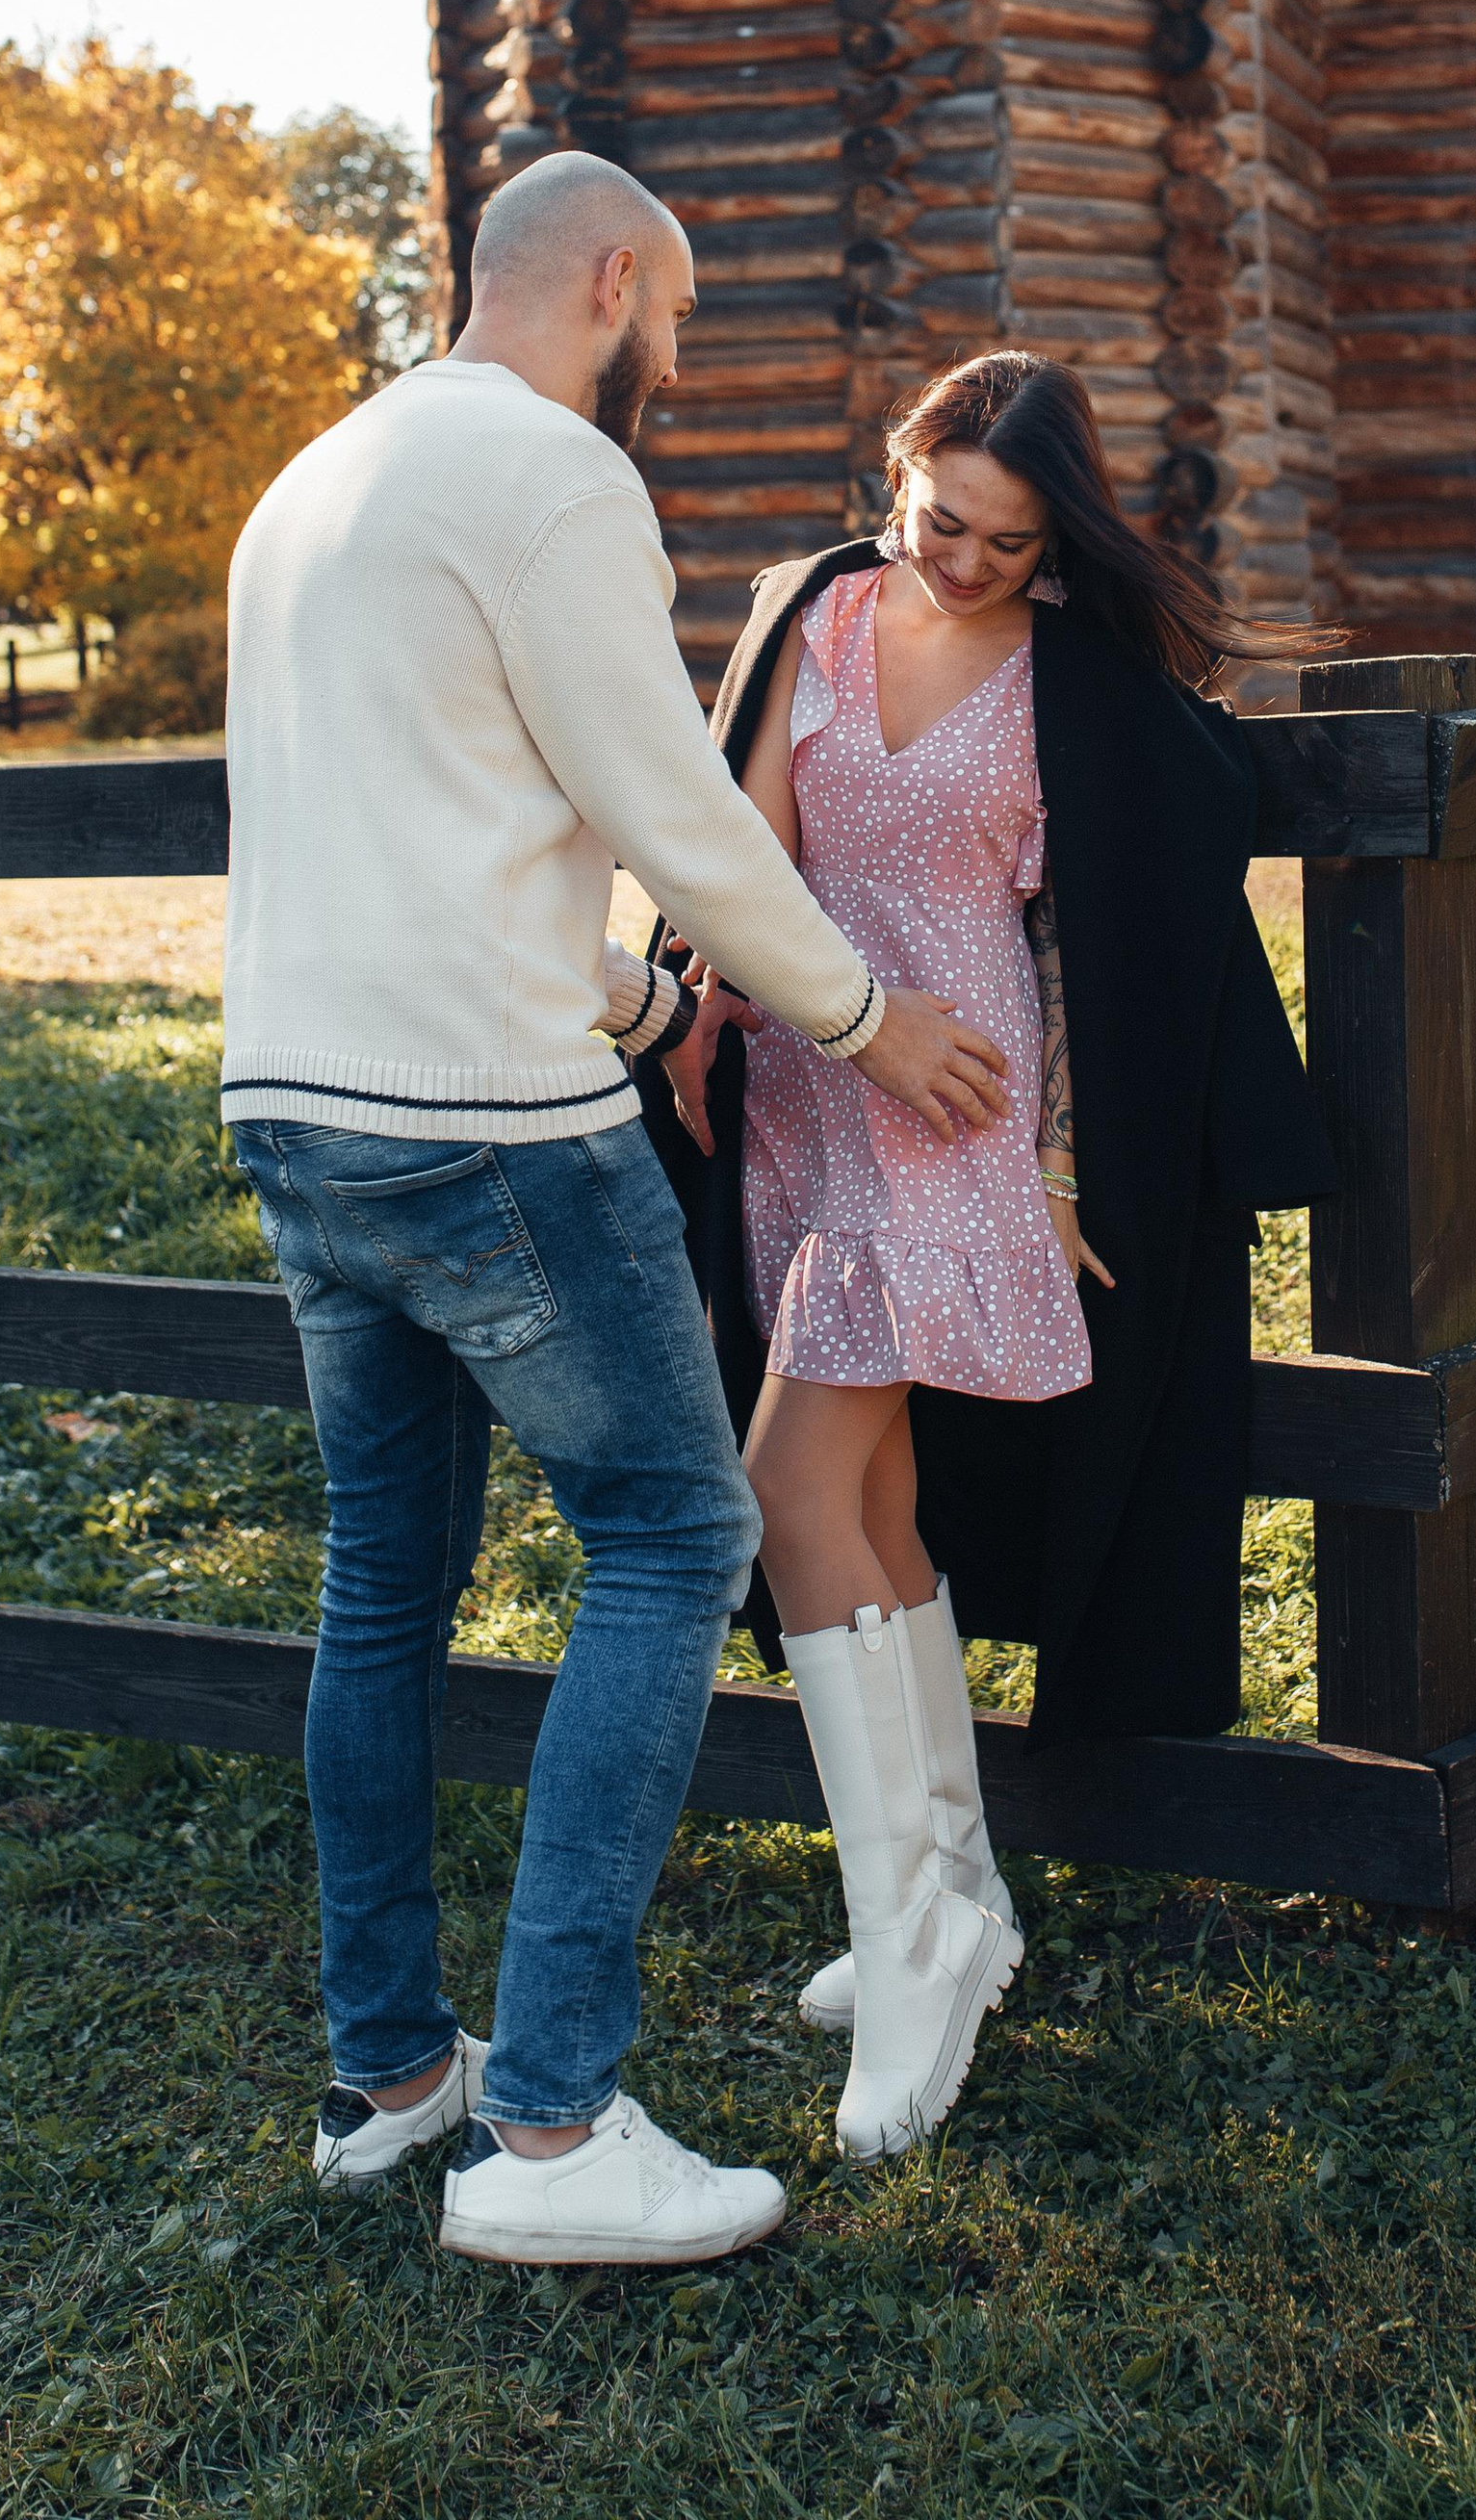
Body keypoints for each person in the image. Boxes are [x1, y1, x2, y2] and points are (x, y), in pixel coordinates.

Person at [220, 152, 1009, 2272]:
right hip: (482, 1128)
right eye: (670, 314)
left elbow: (437, 821)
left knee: (383, 1582)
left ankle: (396, 2083)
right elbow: (661, 796)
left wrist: (641, 990)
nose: (674, 358)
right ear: (601, 280)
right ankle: (553, 2137)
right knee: (674, 1535)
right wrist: (859, 1015)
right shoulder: (553, 476)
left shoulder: (315, 484)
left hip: (299, 1109)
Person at [647, 351, 1336, 2160]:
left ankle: (913, 1942)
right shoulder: (815, 616)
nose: (964, 562)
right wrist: (712, 1004)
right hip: (810, 1092)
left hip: (956, 1111)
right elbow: (743, 853)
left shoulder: (1075, 685)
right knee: (873, 1510)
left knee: (789, 1487)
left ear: (1059, 543)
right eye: (941, 520)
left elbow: (1089, 935)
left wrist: (1061, 1156)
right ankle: (957, 1899)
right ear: (899, 475)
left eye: (1011, 546)